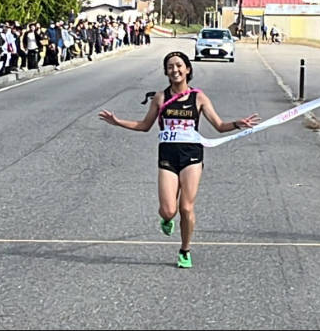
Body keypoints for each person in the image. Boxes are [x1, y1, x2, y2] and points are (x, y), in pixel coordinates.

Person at [98, 51, 259, 268]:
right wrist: (118, 122)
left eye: (179, 66)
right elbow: (145, 126)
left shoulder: (198, 97)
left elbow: (219, 126)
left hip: (192, 155)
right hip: (168, 156)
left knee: (186, 207)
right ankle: (166, 218)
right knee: (168, 210)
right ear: (166, 71)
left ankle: (185, 249)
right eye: (171, 67)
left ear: (188, 69)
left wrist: (238, 123)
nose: (175, 70)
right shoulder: (160, 98)